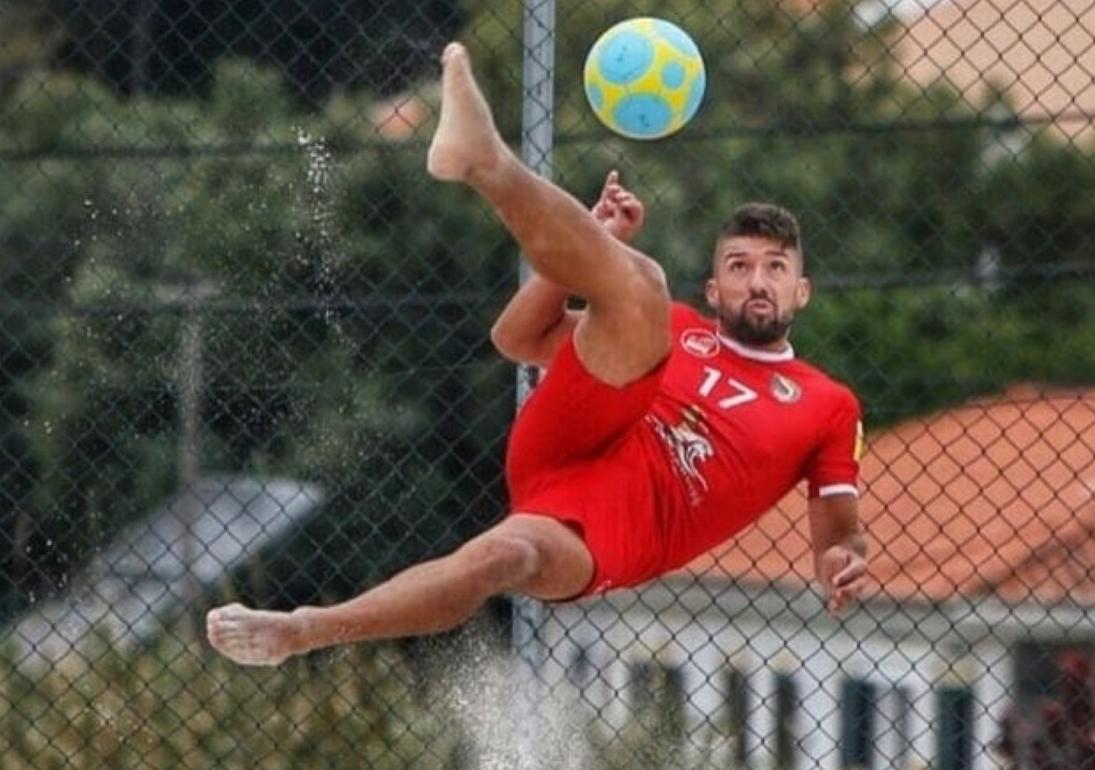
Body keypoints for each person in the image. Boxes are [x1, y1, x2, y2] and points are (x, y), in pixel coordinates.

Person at [205, 42, 868, 667]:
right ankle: (483, 160)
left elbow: (839, 535)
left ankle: (301, 630)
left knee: (502, 557)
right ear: (716, 286)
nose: (758, 281)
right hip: (578, 434)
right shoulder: (678, 326)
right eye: (740, 265)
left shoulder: (826, 404)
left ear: (801, 290)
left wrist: (842, 563)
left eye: (776, 267)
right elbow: (518, 338)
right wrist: (592, 247)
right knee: (640, 287)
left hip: (621, 527)